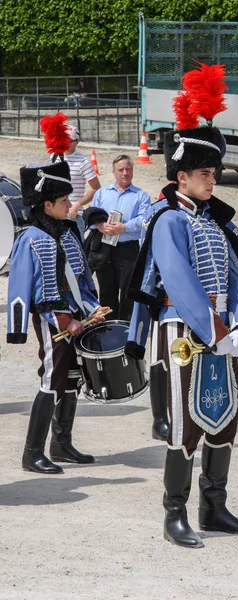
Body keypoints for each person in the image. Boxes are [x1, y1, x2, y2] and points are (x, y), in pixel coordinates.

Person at [125, 125, 238, 548]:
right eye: (204, 172)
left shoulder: (215, 222)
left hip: (220, 332)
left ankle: (213, 507)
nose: (212, 178)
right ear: (181, 176)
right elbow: (180, 283)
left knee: (224, 419)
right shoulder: (168, 219)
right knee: (185, 423)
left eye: (213, 171)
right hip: (183, 331)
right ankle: (175, 513)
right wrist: (215, 329)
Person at [7, 161, 109, 474]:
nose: (71, 204)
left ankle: (61, 444)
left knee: (73, 378)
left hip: (76, 317)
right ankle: (32, 453)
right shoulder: (31, 239)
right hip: (51, 322)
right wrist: (62, 320)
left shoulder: (68, 233)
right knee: (52, 378)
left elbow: (81, 280)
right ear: (47, 204)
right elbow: (26, 288)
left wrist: (92, 308)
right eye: (64, 201)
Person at [90, 154, 151, 321]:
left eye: (128, 169)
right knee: (107, 290)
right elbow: (91, 216)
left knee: (128, 291)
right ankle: (108, 327)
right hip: (105, 248)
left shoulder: (141, 195)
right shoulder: (102, 193)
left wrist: (124, 227)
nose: (125, 173)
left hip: (128, 249)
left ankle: (126, 328)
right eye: (121, 170)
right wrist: (101, 226)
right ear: (114, 172)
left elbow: (145, 220)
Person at [63, 124, 101, 241]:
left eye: (70, 140)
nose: (67, 142)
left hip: (73, 216)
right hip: (56, 214)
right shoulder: (55, 156)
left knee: (76, 252)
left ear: (77, 140)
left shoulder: (83, 162)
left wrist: (77, 204)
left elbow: (96, 189)